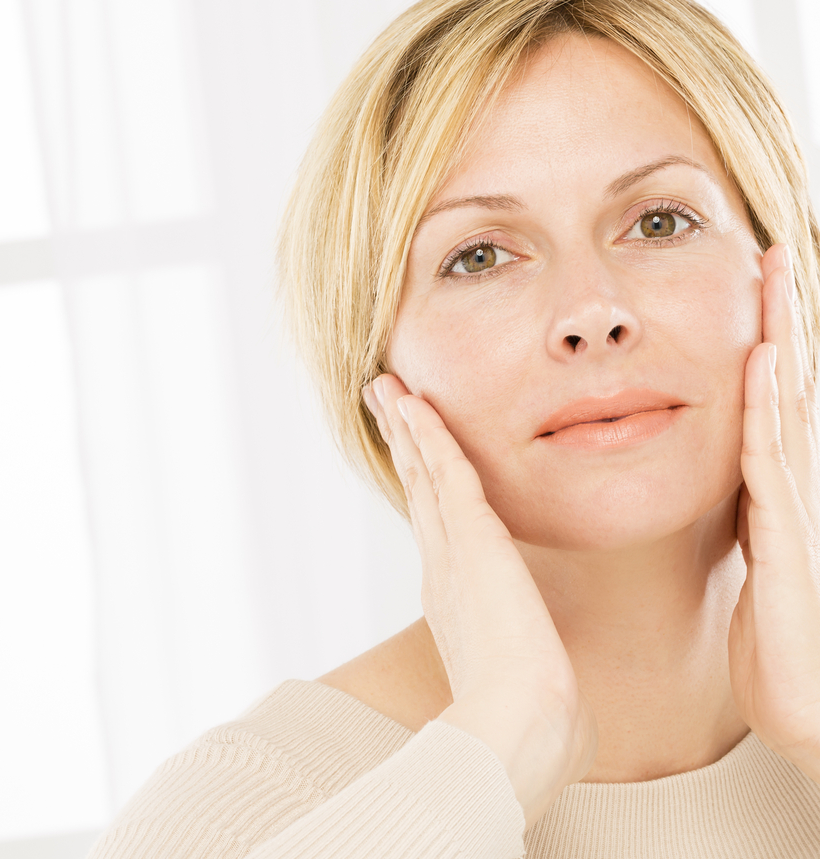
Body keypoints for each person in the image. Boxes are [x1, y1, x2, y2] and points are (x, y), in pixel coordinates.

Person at [87, 0, 820, 855]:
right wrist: (498, 749)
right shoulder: (238, 812)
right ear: (376, 360)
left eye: (660, 221)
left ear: (789, 275)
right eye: (479, 255)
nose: (592, 312)